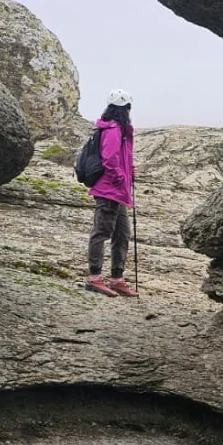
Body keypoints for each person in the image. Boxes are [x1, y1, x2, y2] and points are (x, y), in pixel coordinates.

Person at [85, 88, 138, 297]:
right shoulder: (114, 129)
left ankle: (117, 279)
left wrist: (129, 170)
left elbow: (119, 157)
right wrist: (120, 177)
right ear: (125, 109)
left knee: (122, 234)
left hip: (118, 192)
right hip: (109, 190)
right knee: (102, 232)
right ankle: (94, 278)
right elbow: (109, 159)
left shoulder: (121, 130)